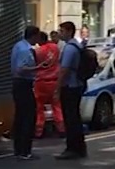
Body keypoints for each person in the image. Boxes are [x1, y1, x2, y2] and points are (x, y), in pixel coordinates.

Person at [10, 26, 45, 161]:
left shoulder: (18, 46)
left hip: (17, 84)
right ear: (34, 36)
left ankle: (18, 149)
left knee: (20, 116)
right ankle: (25, 150)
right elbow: (21, 69)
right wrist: (38, 68)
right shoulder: (25, 49)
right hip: (24, 83)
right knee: (28, 117)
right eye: (37, 36)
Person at [54, 21, 88, 160]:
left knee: (70, 119)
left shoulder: (69, 48)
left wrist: (57, 89)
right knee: (74, 117)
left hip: (70, 86)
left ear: (68, 31)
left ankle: (72, 148)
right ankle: (79, 147)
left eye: (61, 31)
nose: (60, 33)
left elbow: (64, 70)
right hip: (77, 85)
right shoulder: (76, 46)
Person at [33, 32, 65, 138]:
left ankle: (39, 131)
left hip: (41, 82)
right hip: (54, 81)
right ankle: (61, 129)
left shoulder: (38, 51)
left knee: (39, 107)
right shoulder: (55, 48)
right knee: (56, 106)